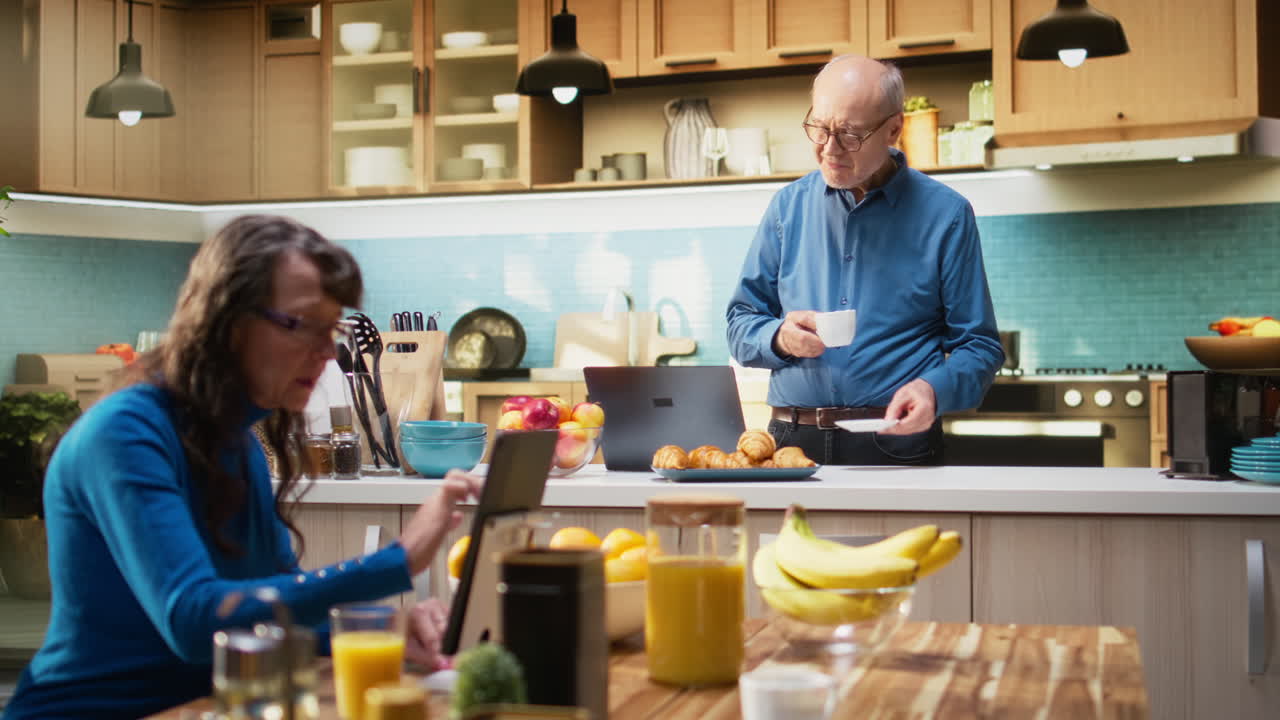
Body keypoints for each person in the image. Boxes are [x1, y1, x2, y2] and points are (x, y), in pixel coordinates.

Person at [4, 215, 481, 719]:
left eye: (332, 330)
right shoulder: (124, 434)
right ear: (226, 321)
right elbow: (195, 621)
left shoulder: (237, 443)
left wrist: (382, 630)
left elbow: (270, 616)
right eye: (303, 326)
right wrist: (397, 561)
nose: (327, 352)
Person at [726, 55, 1003, 466]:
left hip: (897, 440)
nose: (829, 149)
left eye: (850, 135)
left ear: (894, 128)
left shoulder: (947, 215)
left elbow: (978, 346)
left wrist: (932, 389)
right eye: (819, 128)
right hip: (789, 441)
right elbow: (740, 322)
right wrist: (780, 337)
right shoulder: (787, 207)